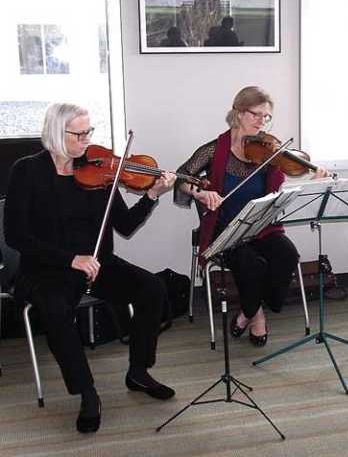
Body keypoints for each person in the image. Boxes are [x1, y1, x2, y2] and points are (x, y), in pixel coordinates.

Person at [3, 103, 177, 434]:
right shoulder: (27, 171)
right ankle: (87, 393)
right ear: (56, 133)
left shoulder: (100, 170)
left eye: (89, 132)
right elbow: (15, 235)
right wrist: (70, 259)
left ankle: (138, 371)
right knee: (55, 311)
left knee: (151, 288)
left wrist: (152, 195)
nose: (87, 140)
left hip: (97, 264)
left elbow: (125, 224)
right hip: (46, 269)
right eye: (79, 134)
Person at [174, 86, 329, 347]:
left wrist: (314, 177)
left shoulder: (268, 150)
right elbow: (180, 178)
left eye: (266, 117)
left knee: (287, 255)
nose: (262, 122)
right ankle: (256, 316)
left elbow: (291, 173)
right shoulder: (213, 150)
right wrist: (199, 193)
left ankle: (247, 311)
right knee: (249, 264)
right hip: (227, 231)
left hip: (261, 227)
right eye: (256, 114)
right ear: (237, 113)